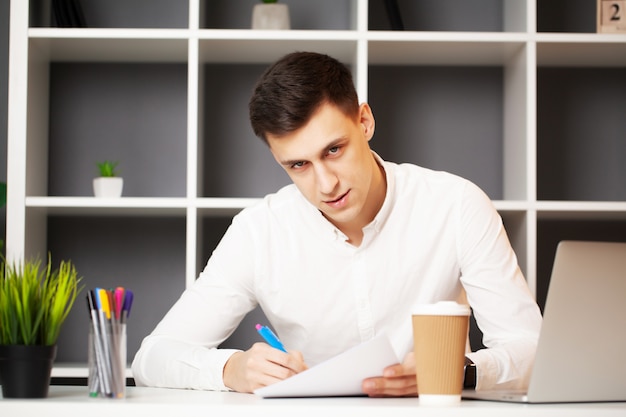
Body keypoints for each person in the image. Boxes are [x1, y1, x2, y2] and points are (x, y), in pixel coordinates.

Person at [132, 51, 542, 396]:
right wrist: (230, 370)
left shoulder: (456, 205)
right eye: (298, 165)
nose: (326, 184)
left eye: (333, 150)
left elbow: (533, 349)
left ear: (364, 122)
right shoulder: (259, 232)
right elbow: (152, 358)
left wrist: (461, 371)